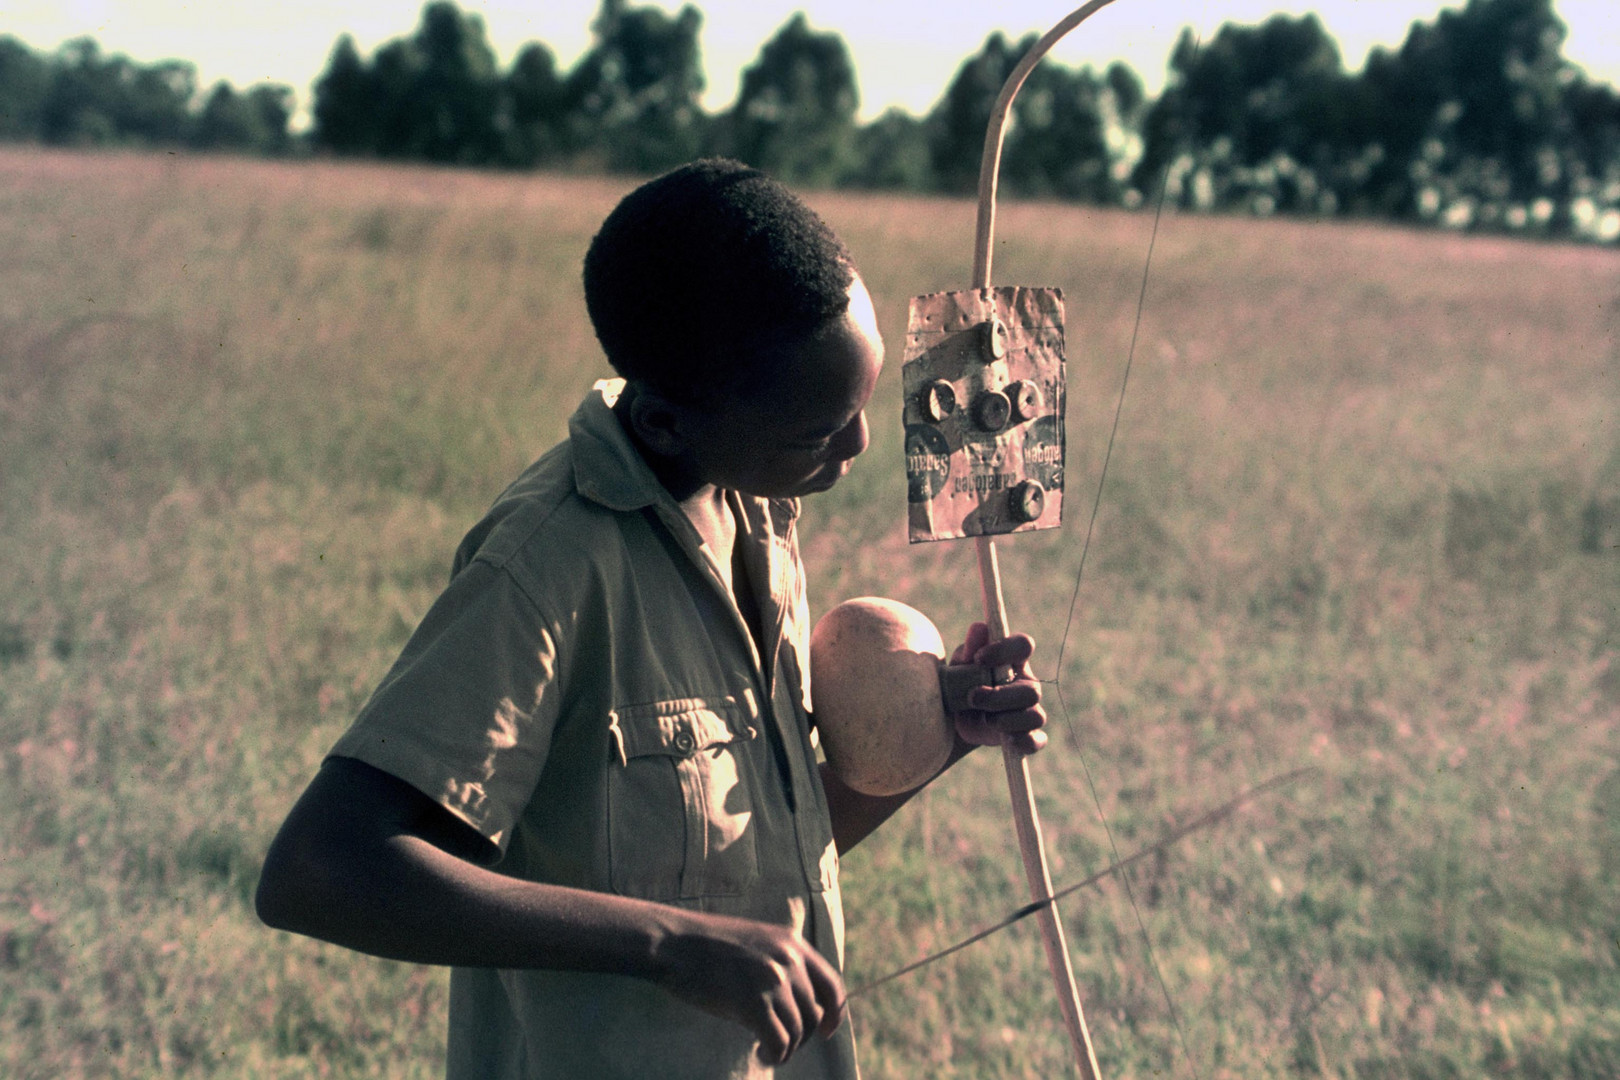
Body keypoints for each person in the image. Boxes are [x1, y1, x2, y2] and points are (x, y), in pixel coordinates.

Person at [255, 158, 1047, 1080]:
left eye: (862, 406)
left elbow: (755, 862)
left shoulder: (751, 506)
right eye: (816, 430)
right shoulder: (547, 567)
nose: (859, 446)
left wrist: (938, 738)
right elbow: (319, 868)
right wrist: (670, 943)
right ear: (668, 423)